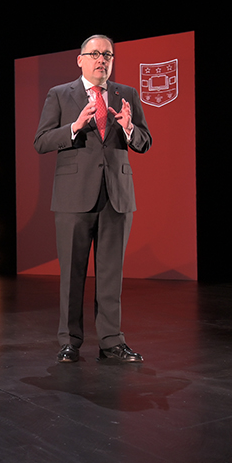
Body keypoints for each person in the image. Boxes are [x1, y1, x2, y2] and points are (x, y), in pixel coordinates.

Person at [34, 34, 152, 364]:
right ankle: (70, 341)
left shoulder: (126, 94)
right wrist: (74, 126)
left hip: (116, 195)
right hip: (73, 197)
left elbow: (145, 141)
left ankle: (112, 342)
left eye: (108, 55)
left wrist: (129, 129)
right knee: (72, 274)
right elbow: (41, 141)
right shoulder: (60, 95)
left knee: (111, 274)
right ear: (80, 59)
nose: (102, 60)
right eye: (95, 54)